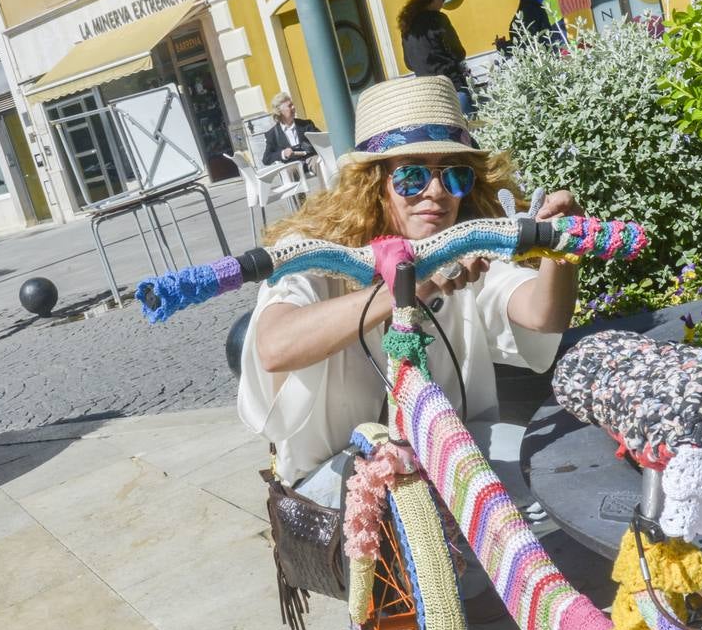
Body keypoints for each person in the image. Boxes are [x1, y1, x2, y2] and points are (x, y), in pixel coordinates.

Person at [237, 75, 581, 508]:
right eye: (413, 175)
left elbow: (544, 315)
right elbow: (275, 345)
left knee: (550, 472)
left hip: (445, 445)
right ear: (374, 185)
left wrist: (562, 246)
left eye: (454, 177)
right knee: (441, 518)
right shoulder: (313, 251)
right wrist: (412, 287)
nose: (436, 193)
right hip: (337, 469)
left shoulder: (462, 244)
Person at [398, 0, 476, 116]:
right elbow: (458, 52)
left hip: (429, 96)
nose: (442, 3)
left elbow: (409, 64)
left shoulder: (407, 25)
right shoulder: (438, 19)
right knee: (473, 129)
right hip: (452, 86)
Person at [261, 92, 320, 168]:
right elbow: (266, 159)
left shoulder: (306, 125)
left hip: (310, 160)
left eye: (292, 104)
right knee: (288, 170)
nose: (293, 107)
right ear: (280, 112)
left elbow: (322, 141)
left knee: (318, 162)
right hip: (291, 167)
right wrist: (283, 153)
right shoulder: (272, 134)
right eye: (289, 106)